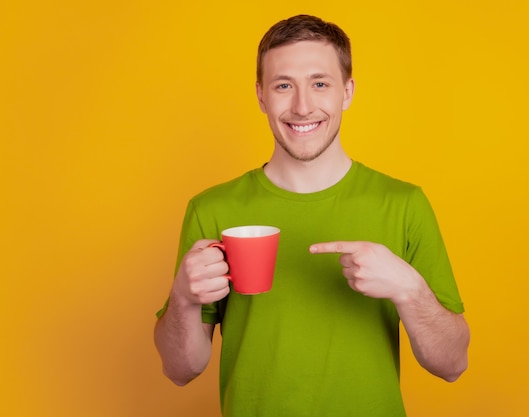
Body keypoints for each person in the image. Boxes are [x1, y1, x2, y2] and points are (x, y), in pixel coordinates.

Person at [154, 14, 470, 417]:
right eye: (283, 86)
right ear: (261, 96)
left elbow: (452, 364)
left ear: (347, 92)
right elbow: (180, 369)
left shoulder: (403, 203)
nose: (302, 107)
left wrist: (409, 290)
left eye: (320, 83)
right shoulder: (211, 209)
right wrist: (182, 298)